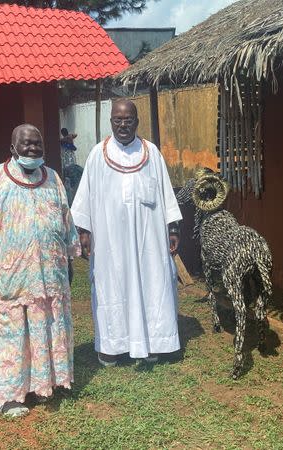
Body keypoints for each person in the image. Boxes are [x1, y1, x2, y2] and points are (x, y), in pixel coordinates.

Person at [0, 124, 80, 417]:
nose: (32, 149)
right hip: (9, 278)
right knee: (10, 333)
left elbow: (66, 221)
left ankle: (45, 385)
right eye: (26, 144)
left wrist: (69, 258)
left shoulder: (53, 178)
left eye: (37, 144)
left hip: (49, 275)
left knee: (48, 326)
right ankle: (11, 396)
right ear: (13, 147)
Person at [71, 99, 182, 367]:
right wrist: (84, 233)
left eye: (128, 119)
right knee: (111, 286)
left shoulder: (152, 152)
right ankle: (113, 345)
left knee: (153, 282)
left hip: (149, 239)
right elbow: (84, 198)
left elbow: (166, 192)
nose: (123, 124)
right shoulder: (98, 154)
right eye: (118, 120)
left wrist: (172, 227)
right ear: (111, 122)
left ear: (137, 121)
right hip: (110, 239)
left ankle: (154, 341)